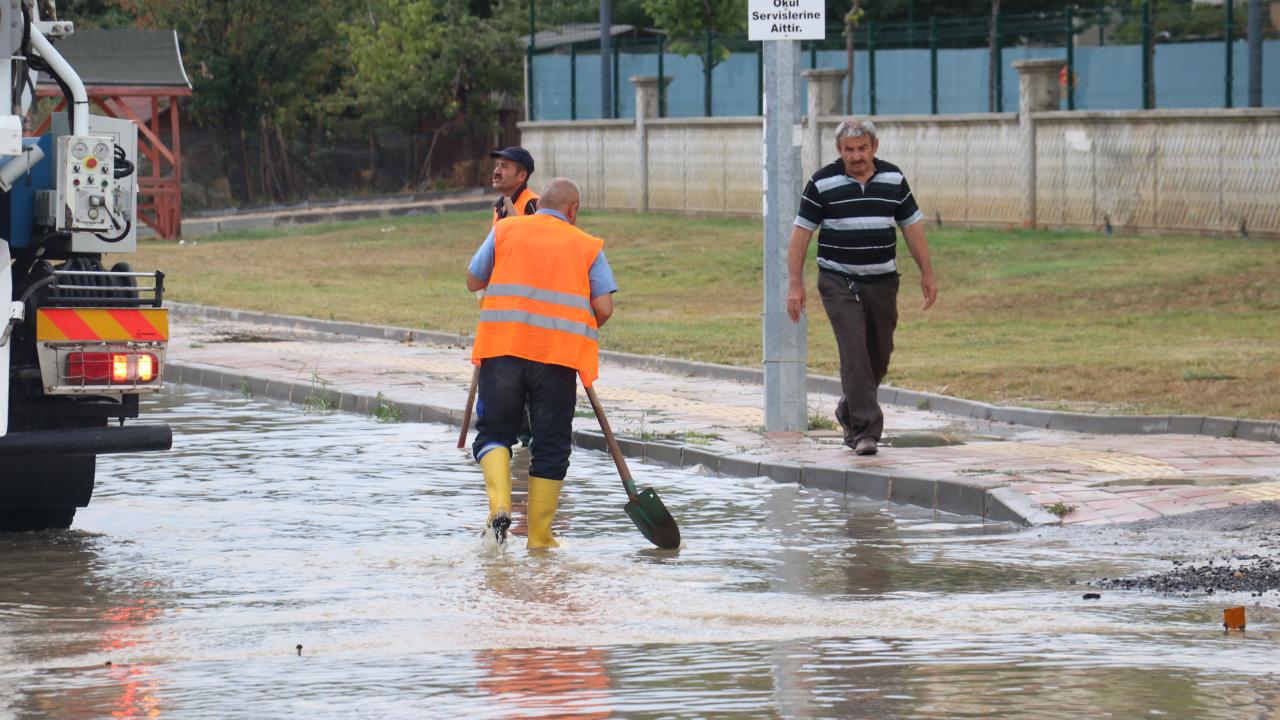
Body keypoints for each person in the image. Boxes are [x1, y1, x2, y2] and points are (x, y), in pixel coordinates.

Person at [466, 177, 617, 549]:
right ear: (574, 210)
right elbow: (603, 307)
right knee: (550, 445)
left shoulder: (506, 230)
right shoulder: (587, 246)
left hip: (503, 351)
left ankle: (500, 505)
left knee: (494, 433)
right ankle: (540, 538)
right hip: (557, 359)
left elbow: (473, 280)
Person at [786, 118, 937, 457]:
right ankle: (866, 432)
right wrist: (795, 284)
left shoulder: (894, 179)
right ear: (839, 151)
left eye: (862, 148)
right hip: (839, 279)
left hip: (883, 281)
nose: (856, 156)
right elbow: (801, 235)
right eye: (849, 150)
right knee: (855, 352)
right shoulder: (822, 183)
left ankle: (848, 410)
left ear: (875, 147)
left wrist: (927, 273)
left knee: (878, 356)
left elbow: (912, 228)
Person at [490, 146, 539, 223]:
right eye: (497, 165)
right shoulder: (499, 207)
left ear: (521, 175)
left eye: (504, 166)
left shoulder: (532, 205)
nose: (496, 172)